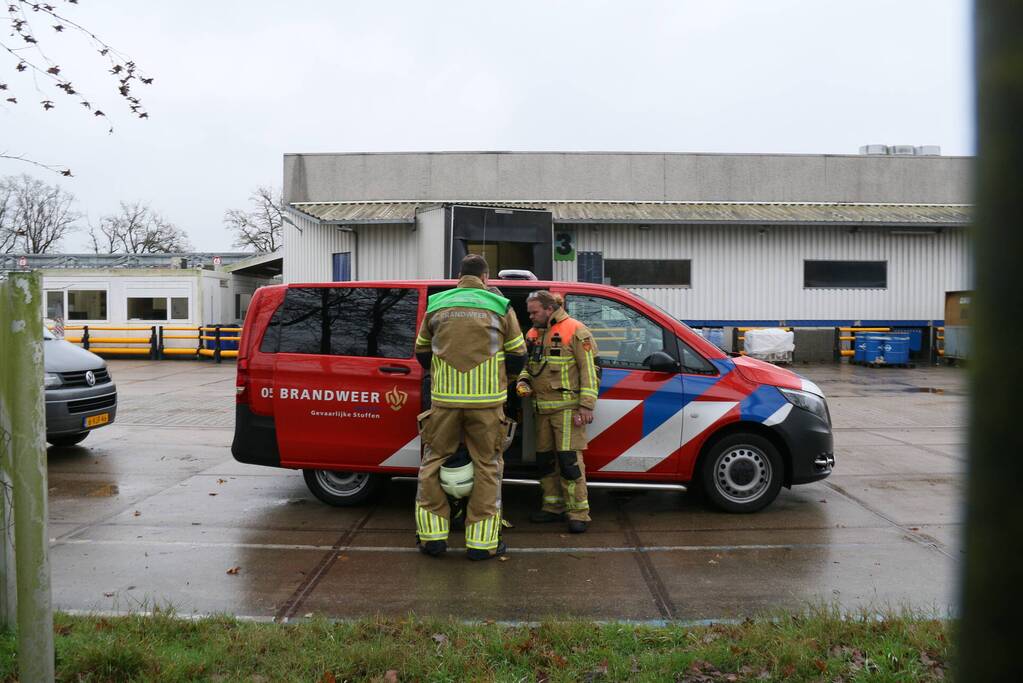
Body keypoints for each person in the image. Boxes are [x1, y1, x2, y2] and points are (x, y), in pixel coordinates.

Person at [413, 254, 526, 560]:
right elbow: (518, 355)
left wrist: (444, 372)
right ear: (486, 278)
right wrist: (502, 379)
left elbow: (422, 352)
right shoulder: (500, 305)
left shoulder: (437, 304)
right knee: (487, 466)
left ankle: (433, 539)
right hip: (487, 402)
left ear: (459, 277)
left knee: (433, 461)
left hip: (445, 400)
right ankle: (481, 544)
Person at [516, 290, 599, 533]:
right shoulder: (532, 334)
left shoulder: (576, 330)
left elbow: (590, 370)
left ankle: (578, 513)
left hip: (567, 411)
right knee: (545, 462)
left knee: (569, 462)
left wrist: (586, 405)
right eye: (529, 313)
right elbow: (528, 366)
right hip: (541, 410)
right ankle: (552, 507)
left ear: (549, 309)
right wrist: (523, 381)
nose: (530, 317)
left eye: (534, 312)